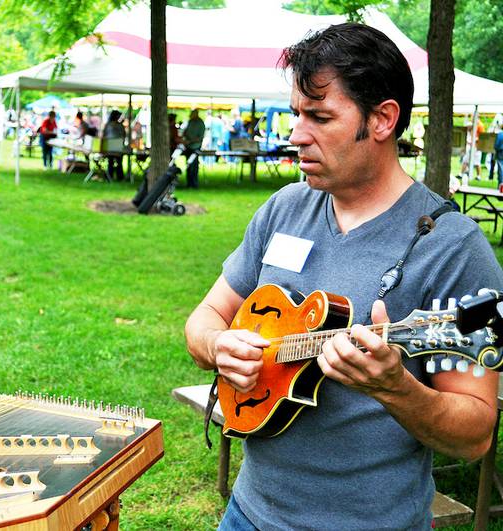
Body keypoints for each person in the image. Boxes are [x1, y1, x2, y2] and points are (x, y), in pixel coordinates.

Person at [184, 23, 503, 531]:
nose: (295, 135)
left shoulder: (454, 247)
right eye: (295, 114)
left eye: (320, 116)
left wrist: (396, 387)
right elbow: (205, 317)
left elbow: (474, 435)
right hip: (248, 513)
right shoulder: (285, 208)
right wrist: (218, 345)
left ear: (382, 119)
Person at [182, 109, 205, 188]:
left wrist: (190, 141)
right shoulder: (190, 122)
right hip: (189, 147)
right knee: (189, 165)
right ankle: (189, 183)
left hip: (195, 146)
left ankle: (194, 184)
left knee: (194, 166)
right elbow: (186, 133)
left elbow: (200, 137)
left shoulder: (200, 123)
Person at [102, 110, 127, 181]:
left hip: (110, 147)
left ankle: (110, 176)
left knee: (111, 162)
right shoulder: (120, 125)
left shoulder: (108, 125)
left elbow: (104, 135)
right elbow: (123, 136)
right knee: (118, 162)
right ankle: (119, 177)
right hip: (117, 147)